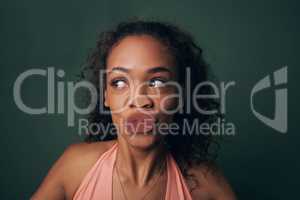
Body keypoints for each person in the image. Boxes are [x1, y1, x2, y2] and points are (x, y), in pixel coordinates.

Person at [31, 19, 237, 200]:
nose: (139, 100)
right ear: (106, 97)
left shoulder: (205, 182)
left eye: (157, 82)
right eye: (119, 82)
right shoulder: (76, 166)